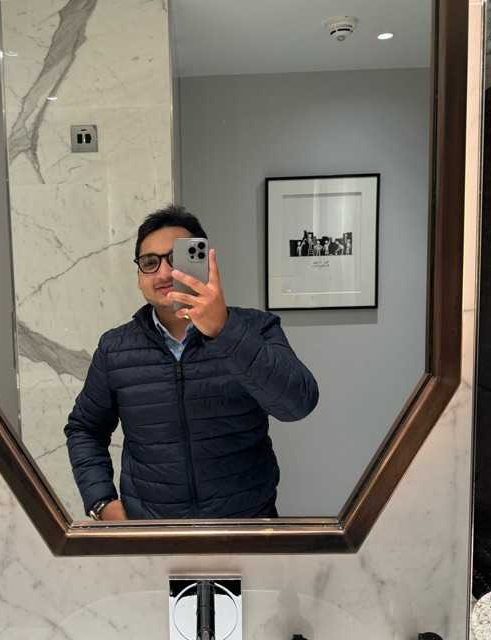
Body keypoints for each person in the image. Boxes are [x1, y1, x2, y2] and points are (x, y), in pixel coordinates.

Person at [64, 205, 319, 520]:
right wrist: (101, 502)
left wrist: (224, 330)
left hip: (245, 528)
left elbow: (298, 404)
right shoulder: (115, 348)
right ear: (139, 276)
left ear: (204, 263)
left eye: (177, 258)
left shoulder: (256, 328)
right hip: (151, 533)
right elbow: (85, 429)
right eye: (150, 262)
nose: (164, 273)